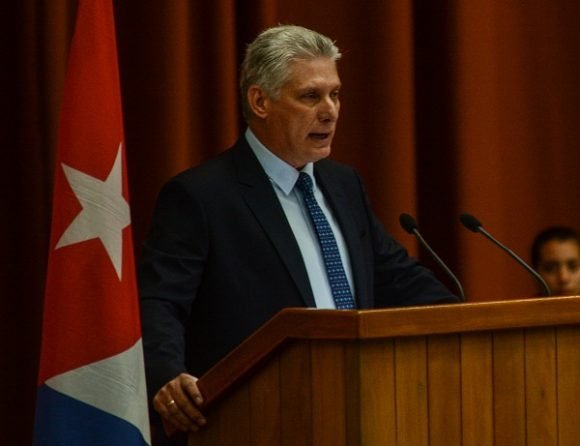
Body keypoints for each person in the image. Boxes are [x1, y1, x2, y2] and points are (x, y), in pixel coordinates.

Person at [138, 24, 458, 444]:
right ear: (260, 101)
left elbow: (395, 276)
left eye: (335, 94)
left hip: (358, 411)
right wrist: (167, 375)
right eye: (310, 96)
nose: (330, 111)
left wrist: (465, 322)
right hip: (253, 421)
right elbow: (161, 300)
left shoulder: (343, 185)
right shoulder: (202, 196)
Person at [531, 226, 580, 297]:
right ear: (535, 273)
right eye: (551, 269)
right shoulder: (523, 308)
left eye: (573, 267)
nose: (563, 278)